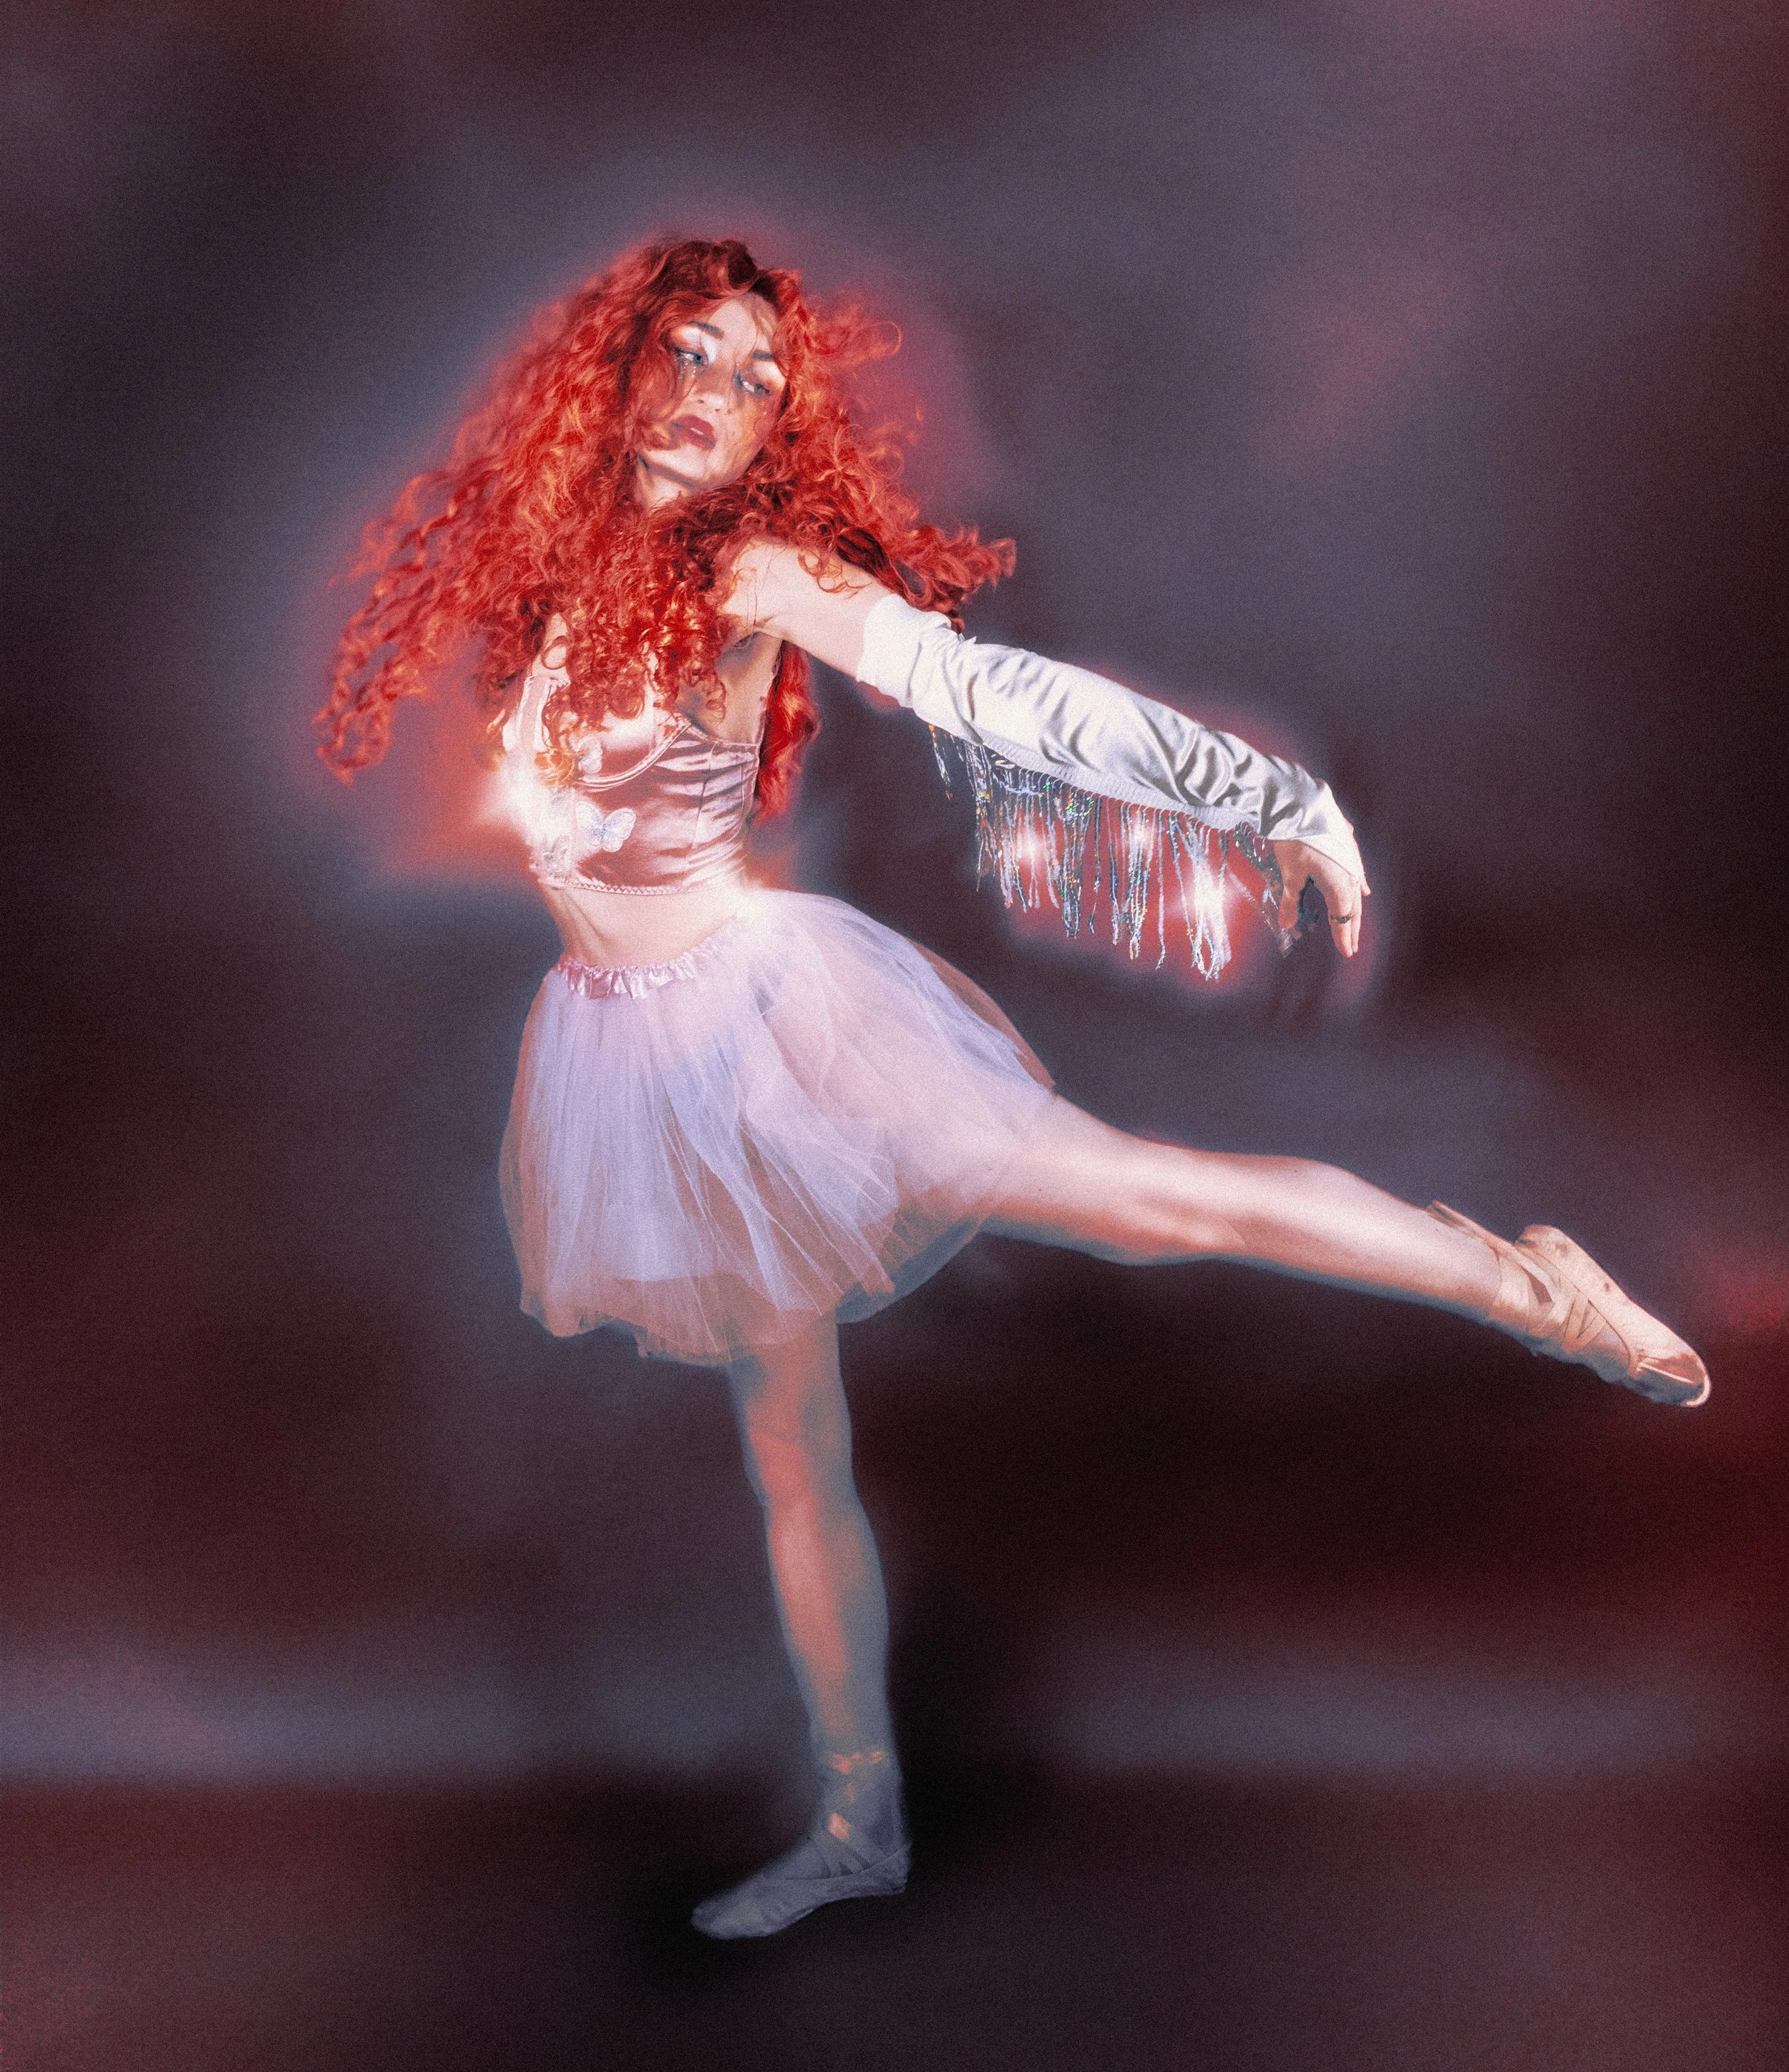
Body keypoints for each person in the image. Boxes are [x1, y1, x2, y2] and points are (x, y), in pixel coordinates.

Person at [318, 237, 1710, 1940]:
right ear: (614, 367)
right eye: (691, 352)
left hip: (790, 1026)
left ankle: (1531, 1282)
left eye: (759, 379)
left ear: (780, 432)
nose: (719, 397)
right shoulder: (545, 578)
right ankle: (854, 1819)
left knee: (1156, 1200)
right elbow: (514, 824)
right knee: (787, 1452)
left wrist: (1267, 799)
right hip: (635, 1052)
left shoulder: (760, 575)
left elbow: (1002, 700)